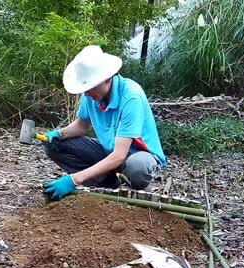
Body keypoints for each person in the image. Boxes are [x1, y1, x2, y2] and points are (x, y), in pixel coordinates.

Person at [42, 45, 167, 200]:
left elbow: (120, 155)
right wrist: (59, 134)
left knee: (138, 168)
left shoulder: (131, 97)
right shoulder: (90, 95)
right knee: (55, 145)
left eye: (91, 88)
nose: (87, 93)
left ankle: (135, 189)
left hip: (137, 155)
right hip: (109, 151)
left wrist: (74, 179)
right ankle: (107, 183)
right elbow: (82, 126)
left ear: (108, 78)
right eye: (85, 89)